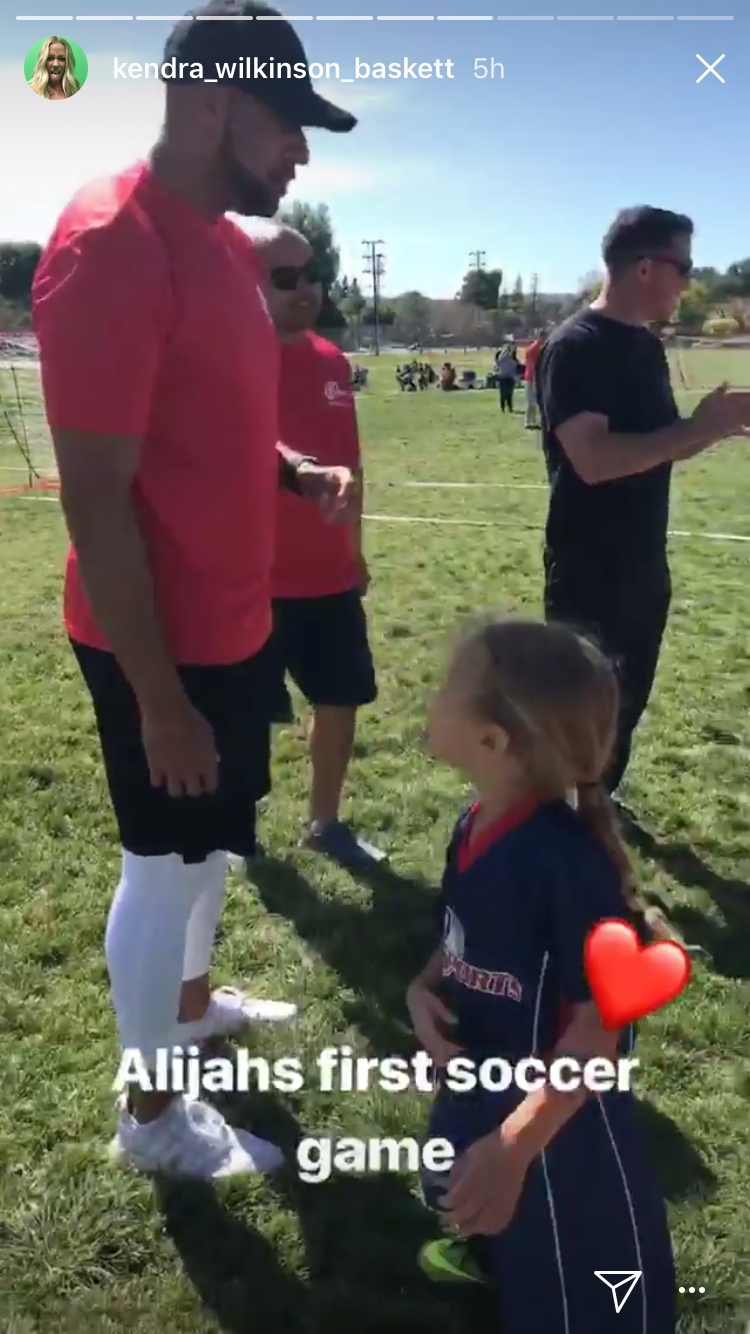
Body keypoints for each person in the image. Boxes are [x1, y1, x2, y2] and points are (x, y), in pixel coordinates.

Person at [31, 0, 358, 1180]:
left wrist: (286, 466)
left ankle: (196, 1004)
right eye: (290, 126)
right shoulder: (113, 242)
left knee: (209, 850)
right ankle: (153, 1118)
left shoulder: (221, 240)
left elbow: (206, 411)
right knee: (160, 865)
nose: (302, 154)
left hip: (234, 618)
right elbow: (96, 496)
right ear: (215, 102)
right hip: (153, 641)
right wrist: (160, 698)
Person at [408, 616, 676, 1334]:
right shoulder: (474, 824)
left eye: (445, 691)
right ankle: (498, 1258)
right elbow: (459, 933)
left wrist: (516, 1145)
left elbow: (601, 1027)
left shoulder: (566, 866)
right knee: (483, 1206)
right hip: (486, 1085)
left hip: (557, 1127)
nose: (429, 700)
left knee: (589, 1292)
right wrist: (421, 989)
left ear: (494, 742)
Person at [537, 206, 750, 795]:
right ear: (648, 268)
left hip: (642, 562)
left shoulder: (644, 347)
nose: (690, 281)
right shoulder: (578, 345)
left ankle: (595, 813)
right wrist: (699, 428)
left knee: (622, 710)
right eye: (685, 267)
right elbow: (595, 460)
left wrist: (715, 425)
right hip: (589, 569)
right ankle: (556, 835)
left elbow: (656, 447)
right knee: (581, 717)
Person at [252, 224, 383, 869]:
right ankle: (234, 830)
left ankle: (324, 822)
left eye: (312, 273)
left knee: (340, 699)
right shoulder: (227, 360)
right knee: (245, 714)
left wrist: (354, 550)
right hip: (249, 581)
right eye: (285, 278)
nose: (305, 288)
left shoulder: (333, 361)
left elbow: (351, 466)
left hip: (328, 577)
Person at [29, 35, 80, 100]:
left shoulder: (77, 91)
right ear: (43, 62)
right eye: (50, 58)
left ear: (68, 62)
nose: (55, 64)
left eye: (61, 59)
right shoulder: (32, 91)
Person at [523, 330, 544, 429]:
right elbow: (532, 366)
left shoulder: (538, 348)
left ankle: (534, 421)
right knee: (532, 401)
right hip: (532, 377)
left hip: (535, 377)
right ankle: (529, 421)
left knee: (535, 401)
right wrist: (536, 379)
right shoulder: (535, 349)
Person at [494, 343, 519, 413]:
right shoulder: (507, 358)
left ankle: (505, 407)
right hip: (507, 377)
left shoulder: (503, 358)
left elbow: (497, 364)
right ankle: (507, 407)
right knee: (507, 394)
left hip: (505, 377)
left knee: (506, 394)